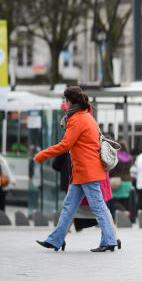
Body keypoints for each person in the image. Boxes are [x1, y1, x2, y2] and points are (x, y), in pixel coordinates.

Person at [33, 86, 120, 252]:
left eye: (66, 100)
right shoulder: (86, 116)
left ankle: (110, 240)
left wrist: (43, 154)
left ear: (71, 101)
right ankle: (55, 240)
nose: (64, 104)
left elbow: (65, 144)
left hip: (87, 172)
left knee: (98, 207)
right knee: (69, 208)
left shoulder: (78, 119)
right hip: (82, 173)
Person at [109, 141, 134, 215]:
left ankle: (122, 213)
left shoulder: (116, 158)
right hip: (128, 182)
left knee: (115, 201)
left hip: (118, 182)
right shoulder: (130, 158)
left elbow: (112, 170)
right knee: (126, 201)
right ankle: (127, 216)